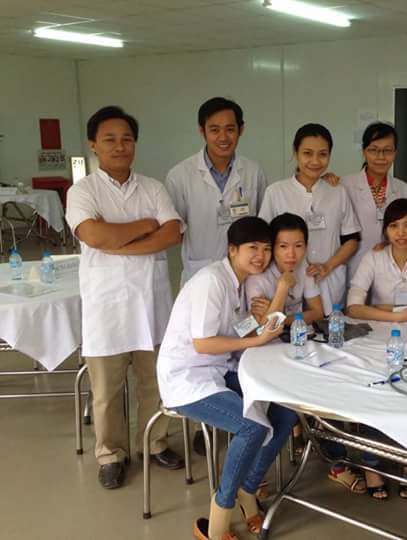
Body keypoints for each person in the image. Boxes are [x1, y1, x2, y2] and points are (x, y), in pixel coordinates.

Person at [65, 106, 185, 489]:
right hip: (106, 307)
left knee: (155, 382)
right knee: (107, 391)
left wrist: (118, 240)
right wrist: (145, 226)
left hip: (151, 303)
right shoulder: (83, 191)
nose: (120, 146)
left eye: (127, 139)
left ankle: (154, 443)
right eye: (110, 139)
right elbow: (94, 236)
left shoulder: (153, 187)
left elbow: (172, 234)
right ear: (93, 144)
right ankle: (111, 455)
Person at [157, 217, 296, 540]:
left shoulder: (241, 282)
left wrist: (256, 321)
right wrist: (256, 339)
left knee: (286, 412)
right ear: (232, 249)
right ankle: (219, 517)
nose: (260, 256)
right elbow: (202, 343)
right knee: (253, 426)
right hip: (187, 377)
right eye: (252, 248)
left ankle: (248, 489)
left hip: (217, 370)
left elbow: (235, 329)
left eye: (266, 249)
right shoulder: (212, 282)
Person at [259, 123, 361, 315]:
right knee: (284, 327)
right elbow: (263, 242)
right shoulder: (276, 192)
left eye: (323, 154)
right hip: (286, 283)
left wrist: (328, 266)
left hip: (329, 281)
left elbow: (351, 239)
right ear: (295, 152)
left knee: (327, 327)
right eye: (307, 153)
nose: (315, 161)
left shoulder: (337, 191)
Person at [165, 97, 267, 286]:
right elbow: (175, 232)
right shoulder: (179, 175)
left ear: (241, 130)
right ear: (202, 131)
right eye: (214, 130)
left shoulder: (254, 172)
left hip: (247, 277)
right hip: (199, 275)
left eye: (230, 129)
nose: (223, 137)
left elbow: (262, 225)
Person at [346, 198, 407, 322]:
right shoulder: (373, 257)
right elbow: (352, 308)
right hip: (377, 328)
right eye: (394, 226)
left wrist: (378, 308)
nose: (401, 233)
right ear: (385, 231)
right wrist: (398, 316)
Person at [342, 122, 407, 279]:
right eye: (374, 150)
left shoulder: (403, 189)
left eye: (387, 150)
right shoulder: (344, 186)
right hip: (354, 266)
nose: (381, 157)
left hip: (392, 268)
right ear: (364, 152)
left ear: (395, 152)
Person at [245, 212, 324, 328]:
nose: (291, 254)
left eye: (298, 246)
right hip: (262, 338)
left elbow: (318, 312)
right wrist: (282, 288)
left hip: (295, 332)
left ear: (306, 246)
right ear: (272, 247)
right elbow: (258, 328)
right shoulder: (256, 278)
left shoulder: (303, 267)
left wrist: (281, 319)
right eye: (283, 246)